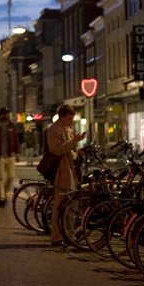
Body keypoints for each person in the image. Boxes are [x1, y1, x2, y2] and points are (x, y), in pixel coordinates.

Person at [46, 103, 86, 246]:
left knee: (72, 205)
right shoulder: (53, 130)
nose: (71, 121)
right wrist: (73, 141)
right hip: (61, 171)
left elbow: (71, 149)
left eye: (72, 118)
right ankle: (56, 237)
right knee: (60, 205)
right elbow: (56, 150)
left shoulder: (68, 128)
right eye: (69, 118)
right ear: (61, 117)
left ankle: (69, 235)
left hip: (71, 169)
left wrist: (77, 147)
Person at [0, 107, 20, 207]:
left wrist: (17, 153)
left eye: (7, 114)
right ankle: (1, 198)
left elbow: (16, 139)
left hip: (10, 156)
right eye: (4, 114)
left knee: (11, 176)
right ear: (0, 115)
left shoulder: (12, 126)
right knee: (0, 178)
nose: (6, 116)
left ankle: (4, 193)